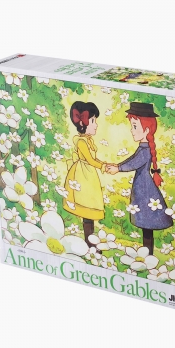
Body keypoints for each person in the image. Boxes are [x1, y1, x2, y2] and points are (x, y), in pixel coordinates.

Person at [107, 102, 172, 254]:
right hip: (142, 189)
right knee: (145, 226)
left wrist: (118, 168)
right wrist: (118, 165)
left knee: (147, 224)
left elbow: (134, 163)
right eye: (132, 126)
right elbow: (132, 159)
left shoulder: (145, 150)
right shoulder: (143, 147)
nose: (132, 130)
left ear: (147, 130)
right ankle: (147, 252)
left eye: (135, 126)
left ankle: (148, 253)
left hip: (145, 191)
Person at [63, 101, 107, 245]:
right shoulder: (82, 142)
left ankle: (91, 242)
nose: (96, 125)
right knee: (86, 210)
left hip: (90, 176)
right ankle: (89, 243)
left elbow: (94, 159)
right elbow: (90, 160)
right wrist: (103, 166)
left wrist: (104, 164)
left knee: (90, 212)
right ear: (83, 123)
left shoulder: (88, 140)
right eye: (93, 121)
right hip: (82, 177)